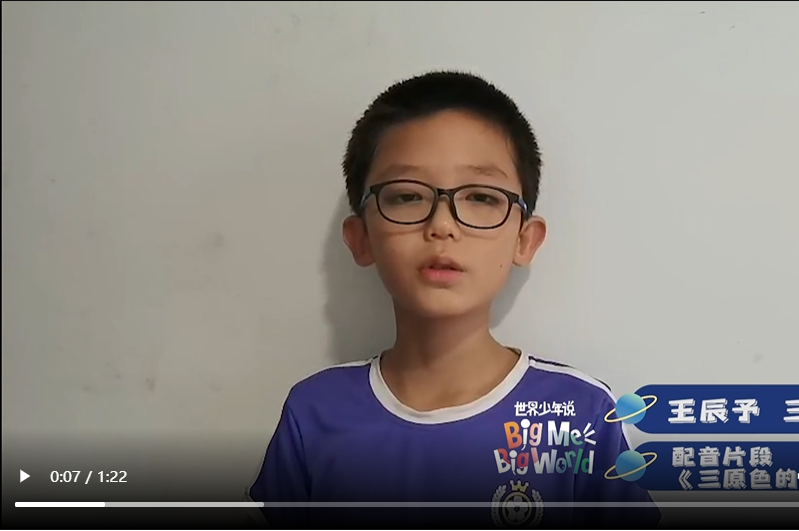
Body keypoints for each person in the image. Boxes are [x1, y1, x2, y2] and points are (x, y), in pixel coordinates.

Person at [246, 71, 660, 529]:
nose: (442, 225)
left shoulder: (579, 414)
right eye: (407, 196)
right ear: (361, 237)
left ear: (525, 239)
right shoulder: (314, 412)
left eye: (481, 196)